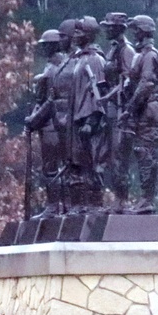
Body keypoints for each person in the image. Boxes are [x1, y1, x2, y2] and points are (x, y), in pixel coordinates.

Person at [117, 15, 158, 214]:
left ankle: (147, 200)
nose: (134, 33)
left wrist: (128, 109)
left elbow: (146, 84)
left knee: (146, 154)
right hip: (142, 110)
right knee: (141, 152)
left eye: (136, 29)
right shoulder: (141, 55)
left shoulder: (150, 55)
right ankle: (144, 199)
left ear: (145, 31)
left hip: (149, 110)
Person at [24, 29, 67, 218]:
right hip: (56, 123)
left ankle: (53, 206)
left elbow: (48, 102)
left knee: (51, 167)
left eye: (45, 45)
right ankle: (59, 205)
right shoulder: (61, 65)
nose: (43, 49)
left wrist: (33, 121)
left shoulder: (53, 70)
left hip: (51, 125)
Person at [68, 16, 108, 211]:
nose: (75, 35)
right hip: (78, 119)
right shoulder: (79, 58)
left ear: (89, 34)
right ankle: (83, 202)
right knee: (82, 162)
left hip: (90, 121)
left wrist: (92, 120)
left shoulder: (95, 59)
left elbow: (99, 92)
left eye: (80, 31)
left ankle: (95, 202)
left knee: (94, 161)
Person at [100, 12, 135, 210]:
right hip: (111, 109)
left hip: (122, 109)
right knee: (109, 155)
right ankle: (116, 198)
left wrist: (109, 95)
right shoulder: (112, 50)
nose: (107, 30)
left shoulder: (126, 51)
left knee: (119, 156)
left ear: (119, 29)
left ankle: (122, 199)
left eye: (110, 27)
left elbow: (127, 81)